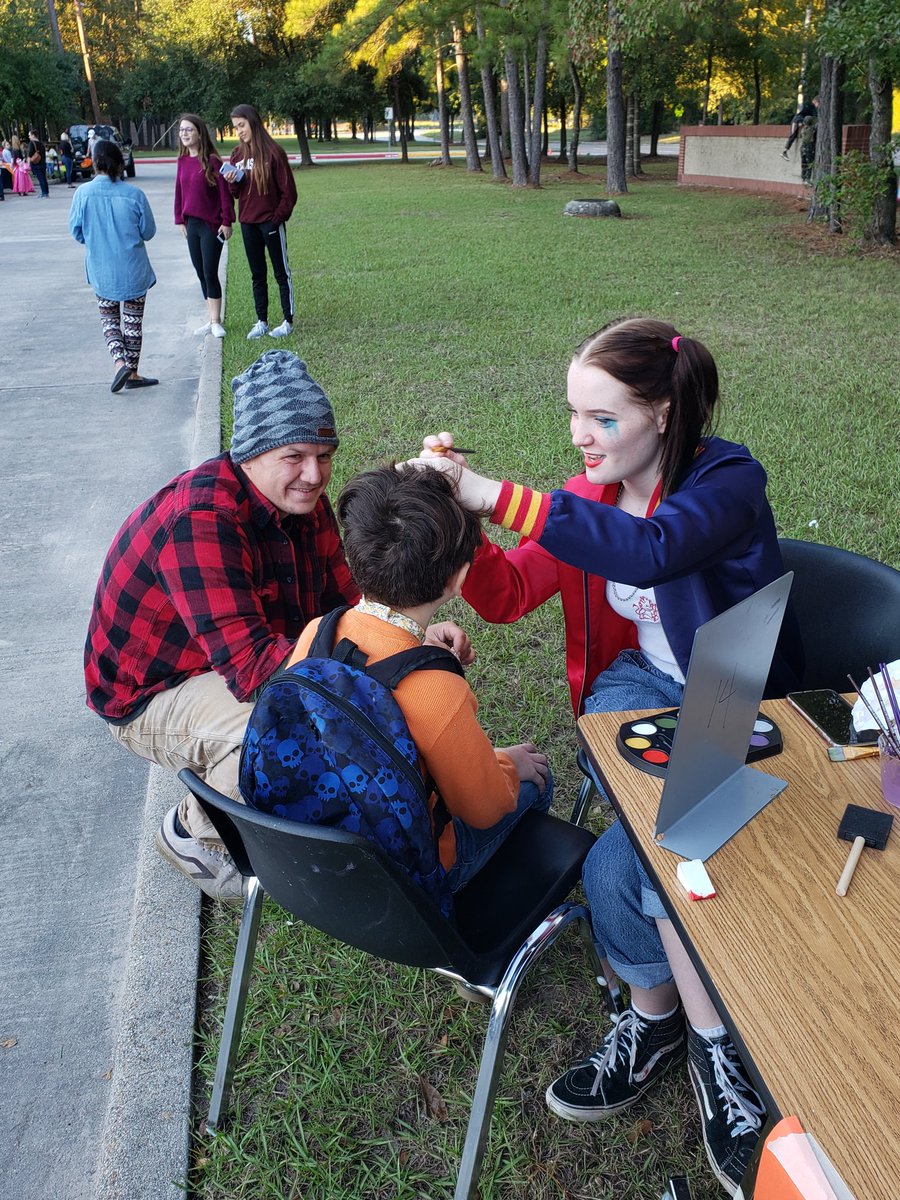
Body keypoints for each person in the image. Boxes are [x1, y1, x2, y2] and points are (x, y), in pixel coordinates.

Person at [410, 317, 803, 1195]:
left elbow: (655, 551)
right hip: (634, 684)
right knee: (655, 837)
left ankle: (677, 1030)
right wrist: (458, 519)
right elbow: (509, 595)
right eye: (574, 415)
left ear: (662, 412)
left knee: (626, 858)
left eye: (601, 418)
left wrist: (485, 490)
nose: (580, 437)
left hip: (732, 679)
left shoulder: (729, 480)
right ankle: (697, 1040)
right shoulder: (589, 497)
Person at [84, 350, 469, 901]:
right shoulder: (202, 521)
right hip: (151, 693)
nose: (314, 475)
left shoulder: (301, 500)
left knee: (350, 710)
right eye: (295, 455)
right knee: (286, 728)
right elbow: (256, 675)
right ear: (252, 451)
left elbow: (352, 602)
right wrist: (394, 675)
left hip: (243, 657)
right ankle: (194, 830)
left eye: (324, 455)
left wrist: (412, 635)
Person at [285, 465, 552, 895]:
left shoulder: (317, 631)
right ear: (460, 578)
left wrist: (417, 645)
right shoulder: (437, 691)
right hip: (409, 873)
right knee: (537, 778)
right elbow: (483, 810)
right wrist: (506, 763)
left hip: (326, 851)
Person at [69, 139, 159, 393]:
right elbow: (148, 231)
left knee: (109, 320)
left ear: (94, 163)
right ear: (120, 164)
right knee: (132, 323)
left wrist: (97, 239)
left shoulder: (82, 194)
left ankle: (120, 363)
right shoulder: (134, 195)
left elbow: (76, 232)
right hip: (133, 269)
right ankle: (132, 373)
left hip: (101, 269)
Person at [221, 104, 297, 340]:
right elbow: (236, 193)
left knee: (280, 272)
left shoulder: (274, 152)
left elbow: (289, 193)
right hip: (248, 223)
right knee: (257, 274)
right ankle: (262, 321)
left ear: (253, 122)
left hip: (270, 223)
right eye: (235, 127)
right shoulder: (236, 154)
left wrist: (277, 219)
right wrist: (233, 180)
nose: (239, 131)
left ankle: (287, 321)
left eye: (242, 125)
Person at [174, 113, 235, 338]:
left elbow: (224, 195)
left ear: (200, 133)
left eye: (189, 130)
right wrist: (180, 219)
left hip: (212, 226)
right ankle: (209, 320)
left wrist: (227, 221)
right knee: (200, 272)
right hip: (192, 225)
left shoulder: (212, 161)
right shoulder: (182, 162)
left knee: (210, 272)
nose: (184, 134)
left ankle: (216, 321)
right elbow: (179, 192)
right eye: (181, 130)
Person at [27, 130, 49, 197]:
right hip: (43, 163)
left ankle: (44, 193)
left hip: (36, 164)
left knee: (40, 178)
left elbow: (30, 154)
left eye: (30, 135)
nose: (29, 137)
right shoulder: (41, 143)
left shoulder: (32, 143)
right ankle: (46, 192)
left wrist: (28, 163)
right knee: (44, 178)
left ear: (33, 135)